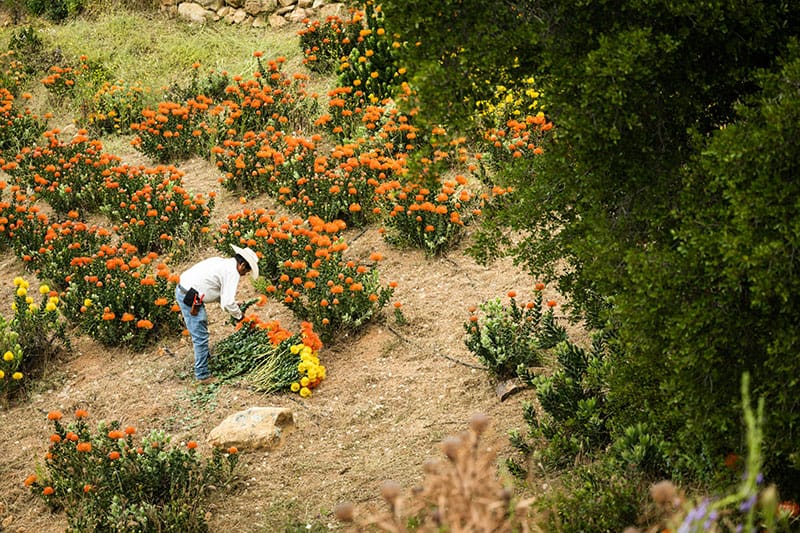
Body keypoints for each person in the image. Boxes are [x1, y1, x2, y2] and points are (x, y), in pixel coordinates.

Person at [175, 245, 260, 384]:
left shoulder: (222, 263)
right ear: (242, 264)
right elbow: (227, 303)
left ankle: (204, 359)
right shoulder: (232, 272)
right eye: (246, 270)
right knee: (200, 336)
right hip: (190, 297)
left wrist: (233, 303)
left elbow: (216, 291)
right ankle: (202, 375)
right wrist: (241, 317)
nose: (244, 274)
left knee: (200, 332)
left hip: (184, 290)